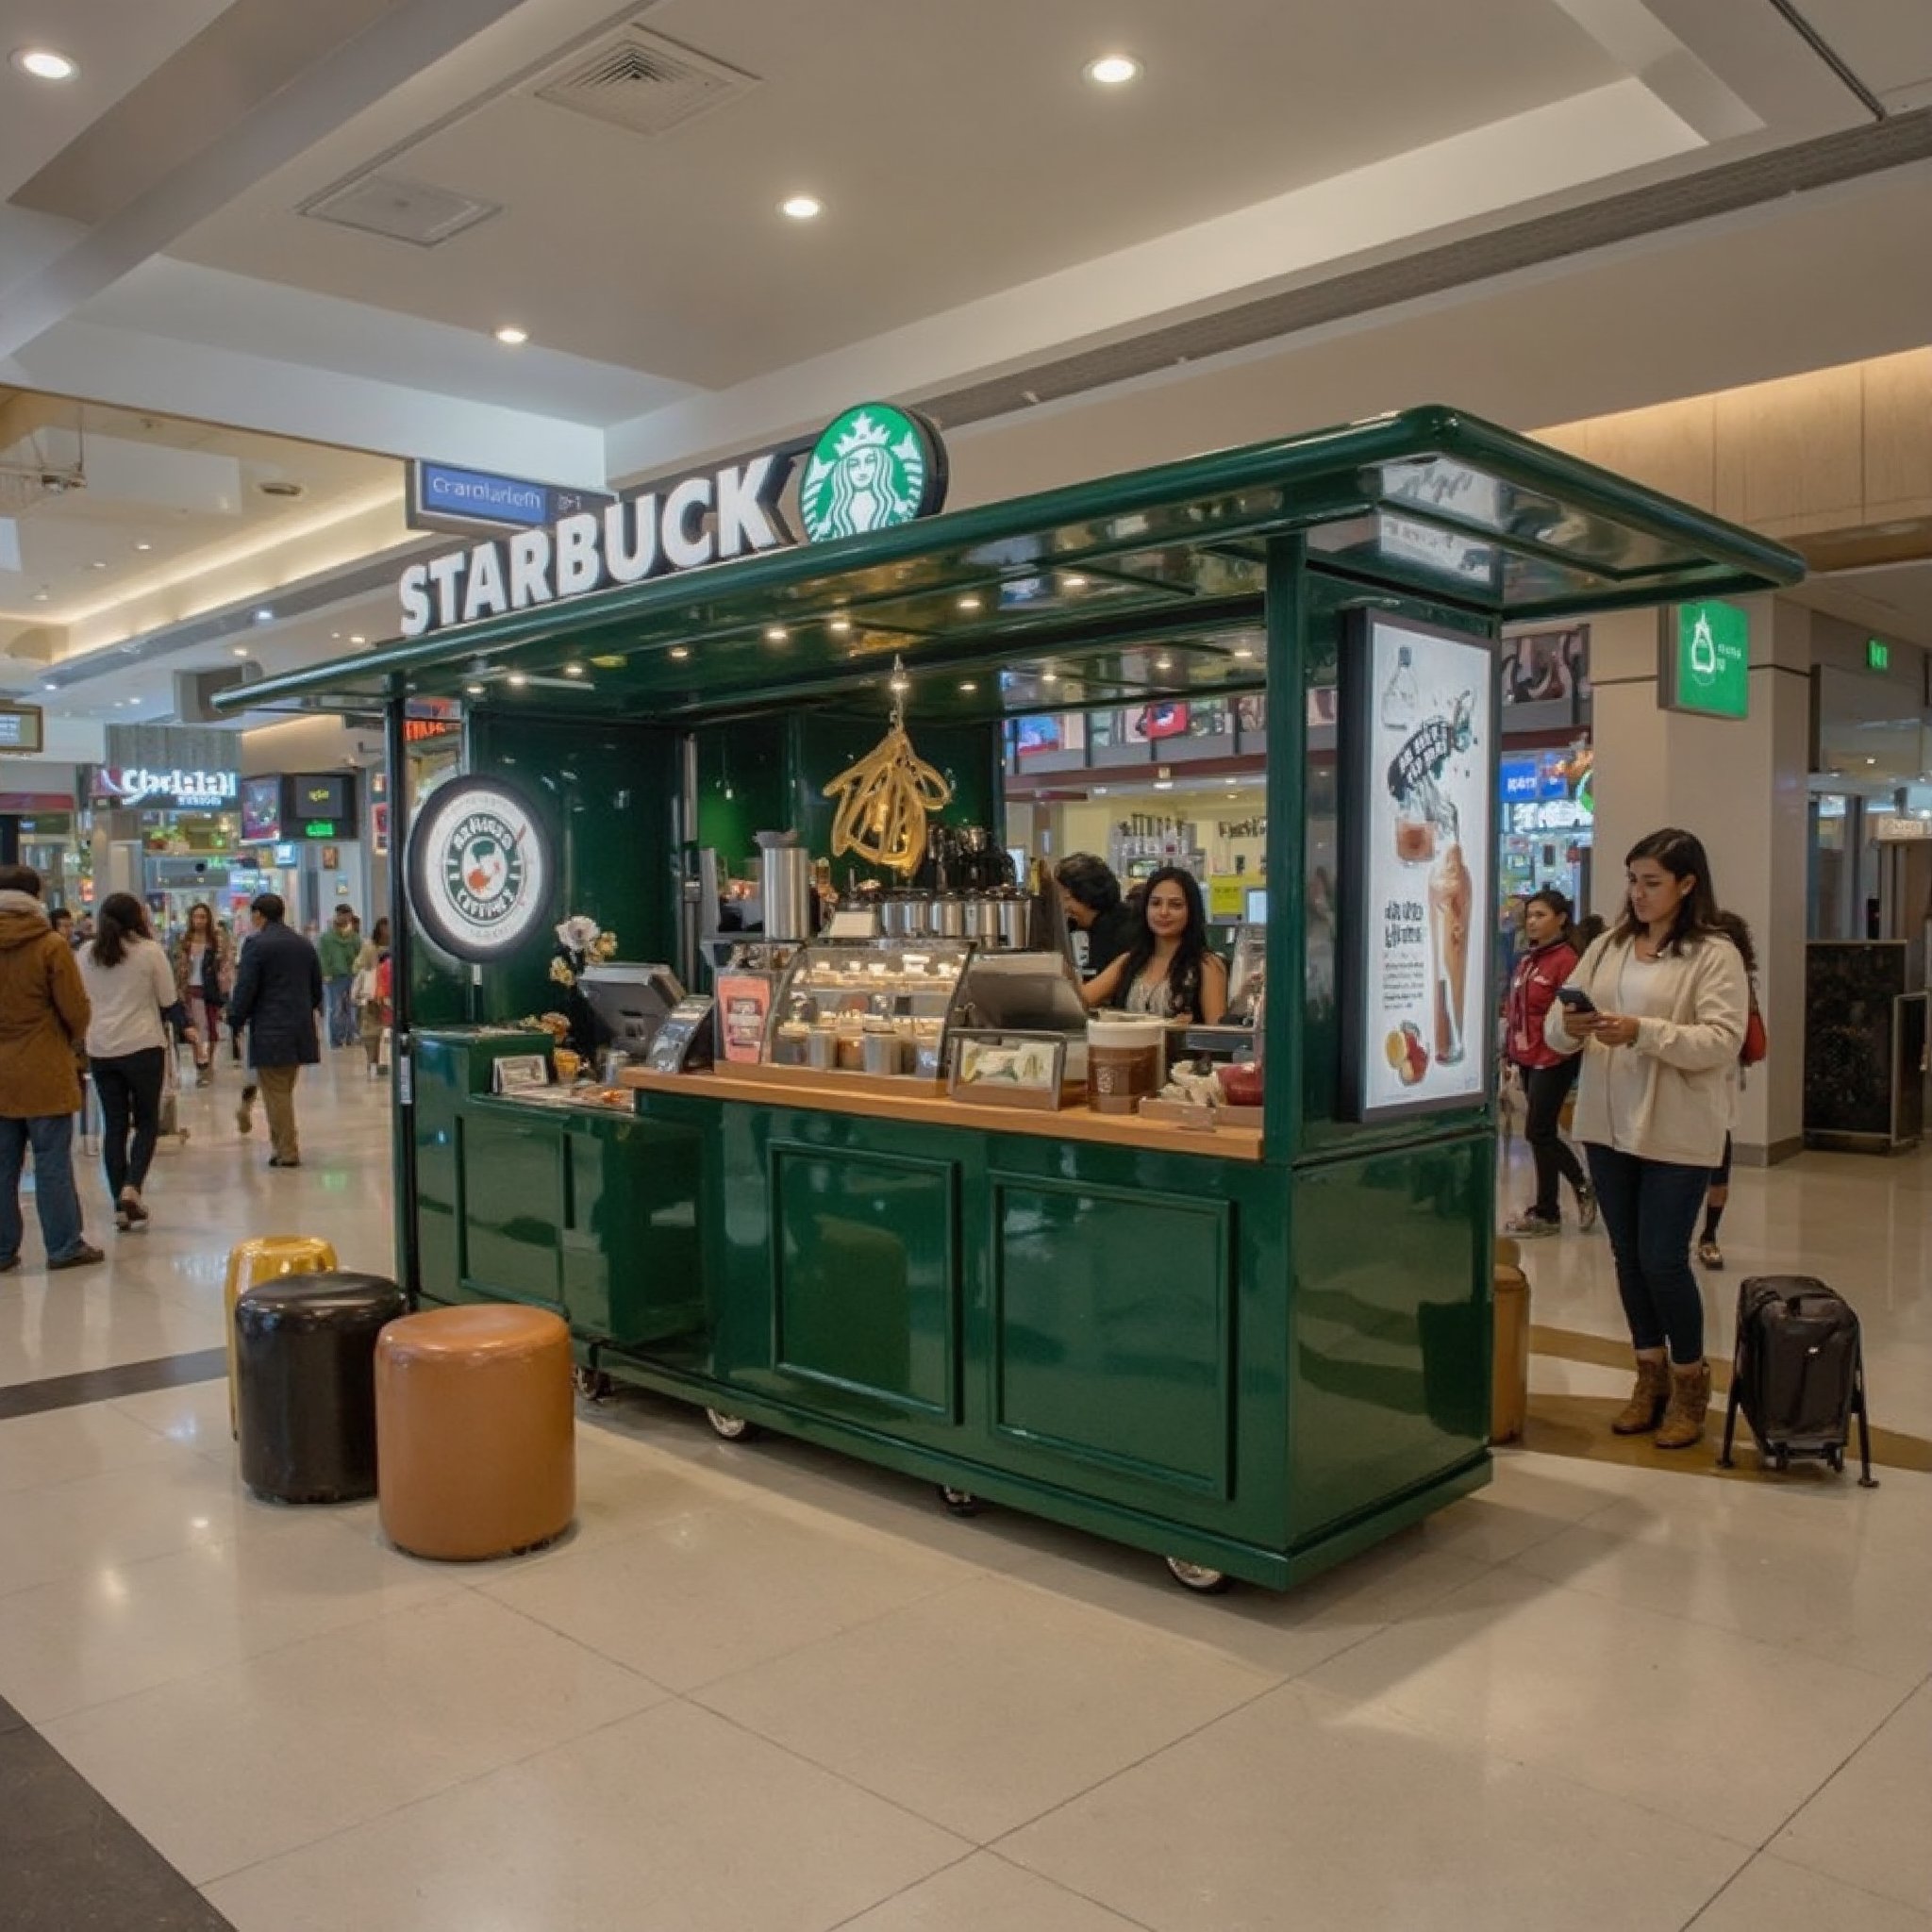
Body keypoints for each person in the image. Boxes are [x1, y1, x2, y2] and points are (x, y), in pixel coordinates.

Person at [1546, 829, 1746, 1450]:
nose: (1638, 894)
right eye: (1633, 880)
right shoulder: (1609, 946)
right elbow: (1556, 1032)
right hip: (1608, 1126)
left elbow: (1721, 1040)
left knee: (1663, 1257)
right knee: (1627, 1257)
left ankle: (1690, 1382)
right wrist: (1573, 1025)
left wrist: (1641, 1031)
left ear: (1687, 884)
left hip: (1675, 1130)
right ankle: (1648, 1375)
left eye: (1652, 882)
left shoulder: (1715, 954)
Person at [0, 864, 99, 1271]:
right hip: (44, 1065)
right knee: (52, 1162)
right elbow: (75, 1009)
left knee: (3, 1166)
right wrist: (70, 1038)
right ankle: (62, 1246)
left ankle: (3, 1249)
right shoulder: (50, 946)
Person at [78, 894, 196, 1232]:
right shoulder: (148, 952)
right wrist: (187, 1028)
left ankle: (118, 1203)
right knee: (146, 1122)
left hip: (100, 1047)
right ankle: (133, 1187)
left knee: (114, 1125)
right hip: (143, 1045)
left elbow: (79, 998)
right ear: (137, 918)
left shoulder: (85, 954)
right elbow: (167, 999)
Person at [1501, 888, 1597, 1238]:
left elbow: (1573, 1011)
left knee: (1538, 1130)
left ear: (1561, 919)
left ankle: (1577, 1187)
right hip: (1526, 1055)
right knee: (1540, 1133)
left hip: (1555, 1056)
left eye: (1540, 915)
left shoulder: (1567, 961)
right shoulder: (1528, 960)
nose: (1532, 922)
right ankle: (1548, 1209)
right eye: (1529, 916)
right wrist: (1508, 1052)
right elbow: (1515, 1010)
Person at [226, 893, 322, 1168]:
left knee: (276, 1091)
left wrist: (235, 1017)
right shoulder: (303, 945)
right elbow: (315, 990)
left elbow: (246, 987)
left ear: (259, 915)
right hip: (299, 1028)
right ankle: (279, 1147)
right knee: (280, 1089)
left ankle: (287, 1149)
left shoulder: (256, 945)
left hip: (270, 1028)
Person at [1080, 866, 1229, 1022]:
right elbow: (1080, 1002)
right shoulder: (1129, 961)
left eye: (1175, 905)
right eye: (1156, 903)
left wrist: (1190, 1029)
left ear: (1191, 911)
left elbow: (1216, 1033)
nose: (1163, 912)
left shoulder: (1207, 965)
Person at [1698, 910, 1761, 1271]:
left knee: (1718, 1165)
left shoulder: (1737, 984)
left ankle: (1709, 1236)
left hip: (1718, 1085)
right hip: (1689, 1086)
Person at [172, 901, 234, 1088]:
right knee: (195, 1030)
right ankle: (200, 1064)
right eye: (196, 917)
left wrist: (225, 984)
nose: (199, 921)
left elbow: (226, 964)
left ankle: (208, 1064)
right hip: (190, 990)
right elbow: (178, 966)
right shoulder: (184, 941)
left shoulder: (218, 940)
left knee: (211, 1029)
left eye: (203, 917)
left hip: (211, 990)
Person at [1055, 854, 1140, 980]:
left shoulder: (1122, 933)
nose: (1063, 905)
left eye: (1068, 898)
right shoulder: (1078, 926)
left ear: (1087, 895)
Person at [317, 906, 361, 1049]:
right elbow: (322, 956)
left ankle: (349, 1037)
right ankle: (336, 1039)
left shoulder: (353, 937)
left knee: (351, 1008)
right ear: (338, 915)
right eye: (344, 915)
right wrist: (325, 973)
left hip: (352, 975)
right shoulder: (326, 937)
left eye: (349, 916)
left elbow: (358, 954)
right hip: (334, 977)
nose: (347, 919)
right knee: (336, 1009)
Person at [354, 917, 392, 1080]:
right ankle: (373, 1062)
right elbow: (361, 967)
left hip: (388, 995)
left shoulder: (397, 944)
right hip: (371, 995)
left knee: (386, 1032)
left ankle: (384, 1063)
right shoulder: (369, 947)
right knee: (371, 1032)